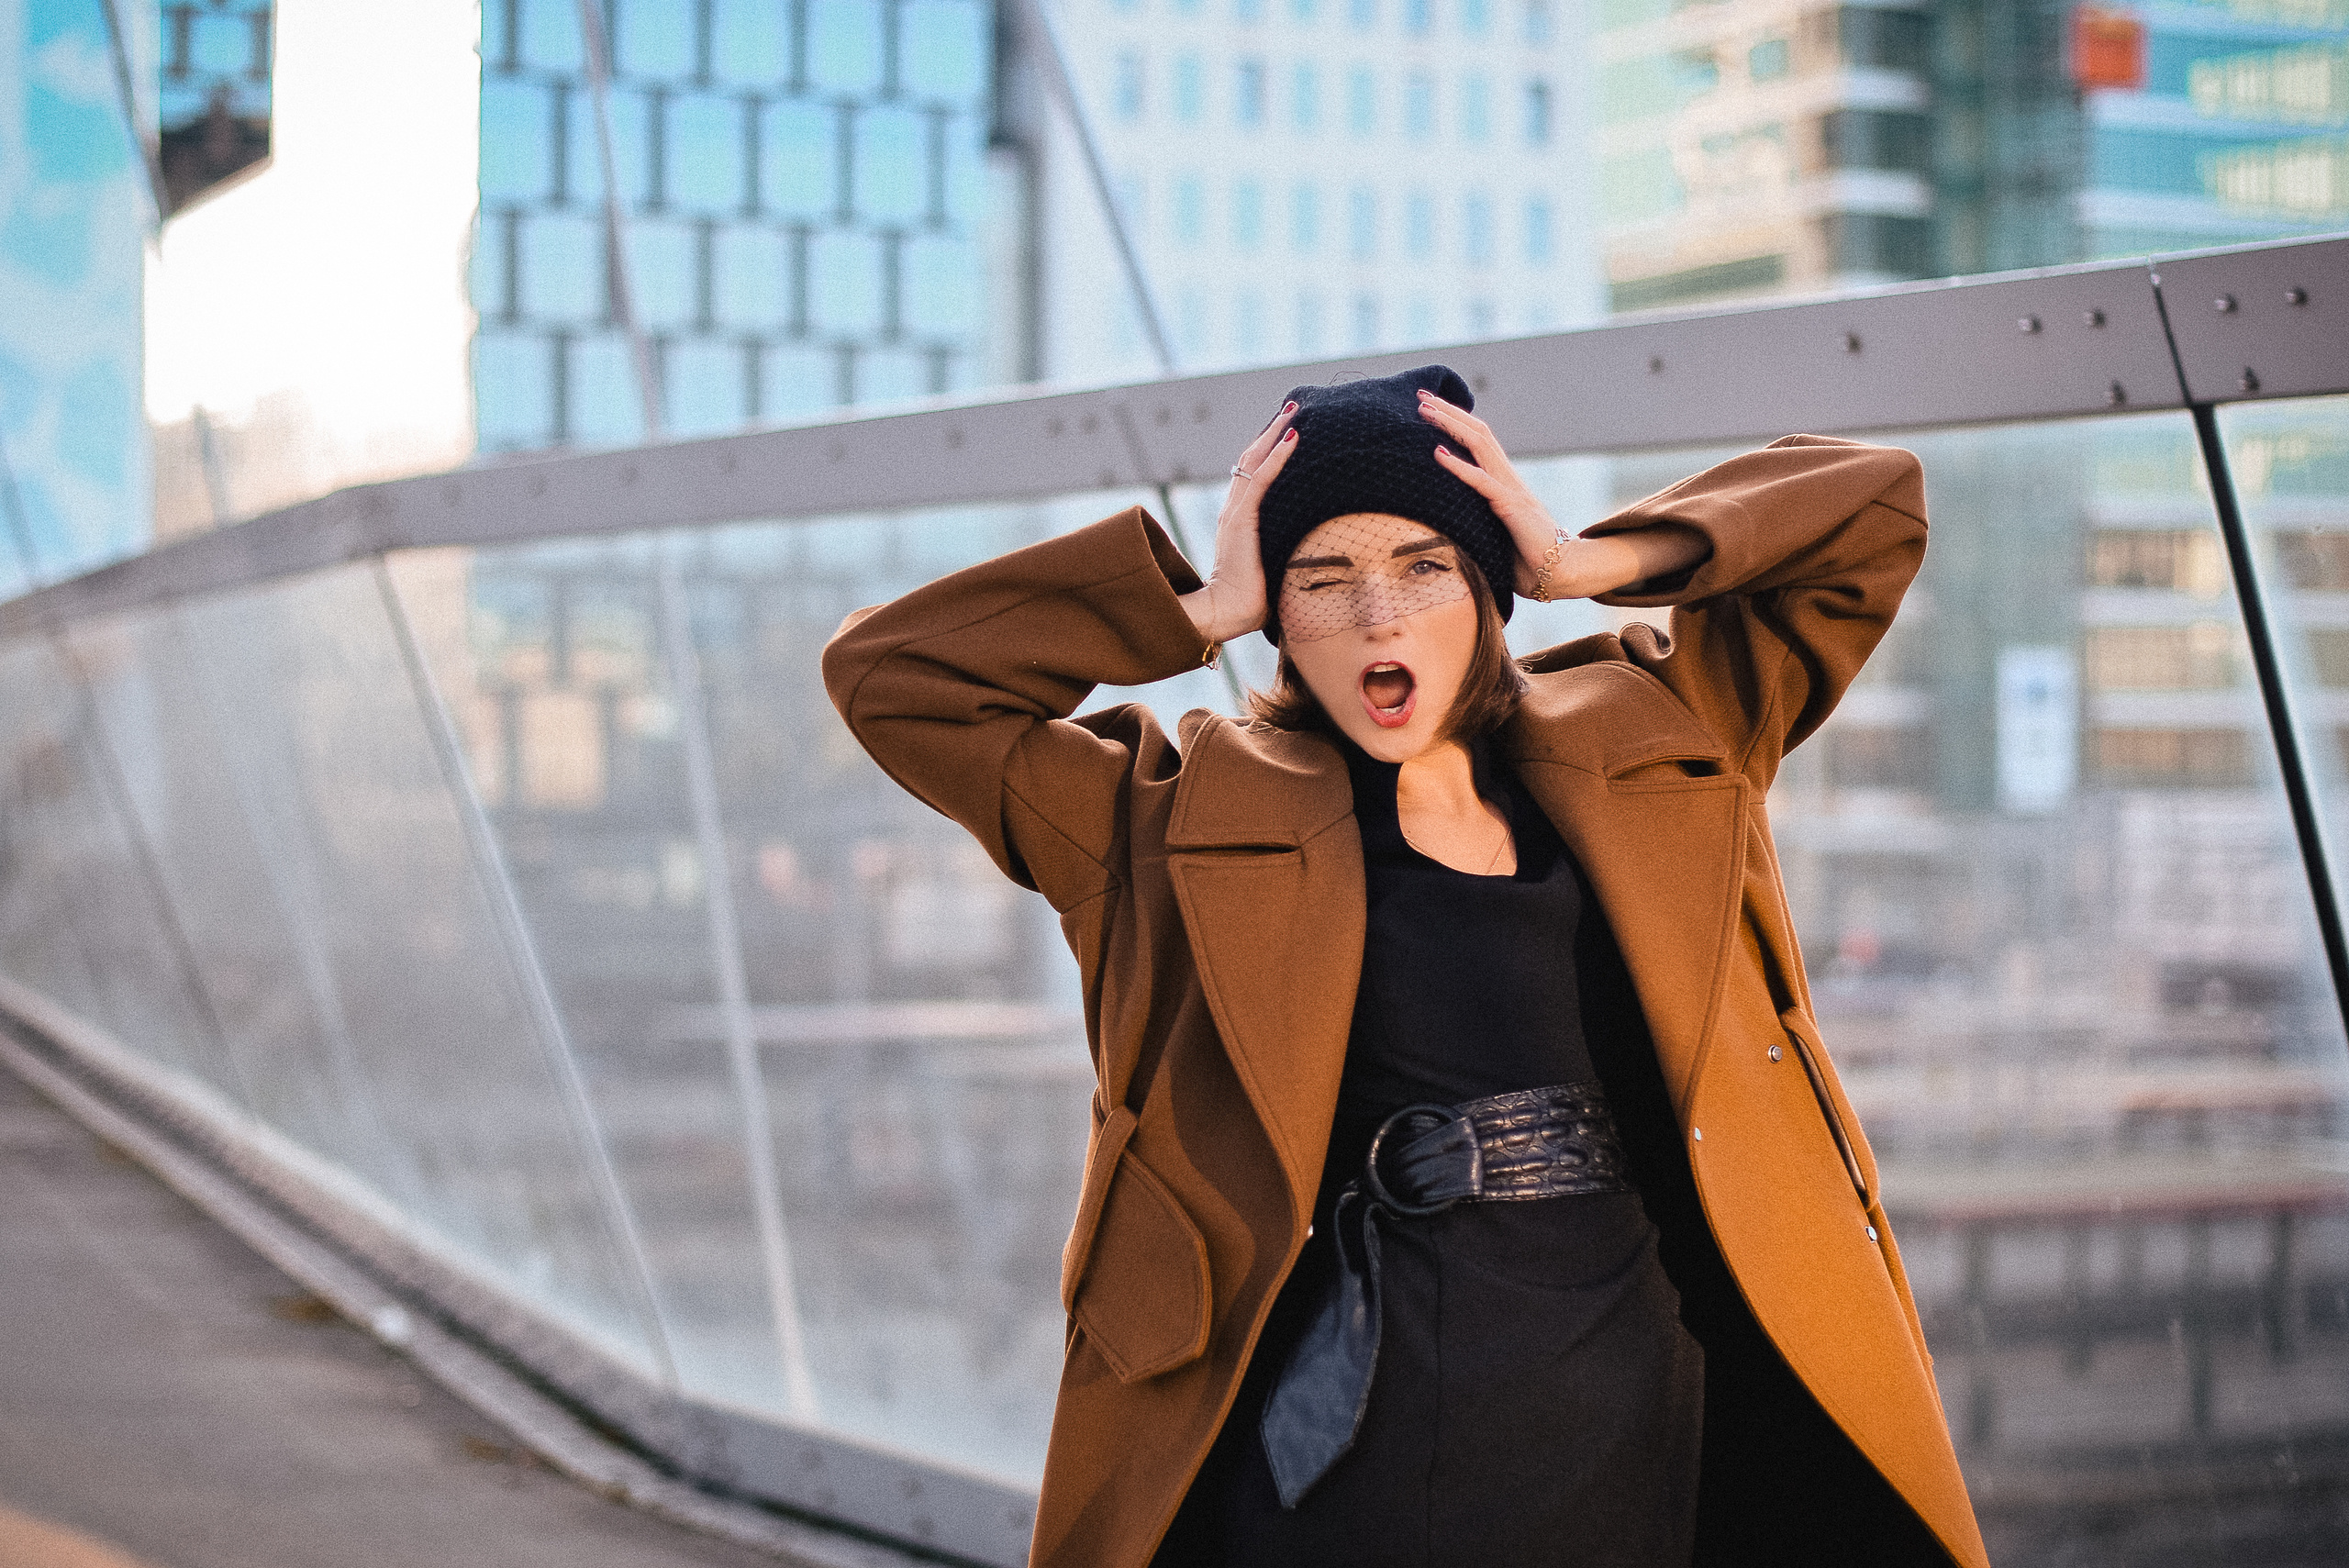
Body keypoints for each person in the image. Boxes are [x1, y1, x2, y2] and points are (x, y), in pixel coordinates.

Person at [823, 366, 1986, 1568]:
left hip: (1640, 1377)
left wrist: (1582, 560)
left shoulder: (1665, 727)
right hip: (1357, 1413)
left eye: (1425, 566)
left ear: (1487, 591)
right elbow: (895, 678)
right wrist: (1192, 607)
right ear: (1278, 613)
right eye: (1322, 580)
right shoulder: (1162, 822)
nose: (1379, 617)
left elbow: (1873, 509)